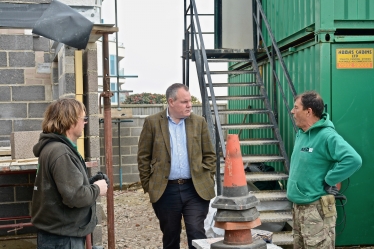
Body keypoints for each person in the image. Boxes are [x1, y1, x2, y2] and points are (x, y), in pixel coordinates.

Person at [137, 83, 216, 249]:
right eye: (184, 101)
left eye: (190, 101)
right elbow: (143, 157)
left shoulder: (199, 122)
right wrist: (149, 186)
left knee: (196, 233)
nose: (189, 105)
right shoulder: (152, 123)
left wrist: (207, 177)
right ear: (171, 102)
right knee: (171, 236)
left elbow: (210, 155)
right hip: (166, 191)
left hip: (195, 189)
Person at [287, 91, 362, 248]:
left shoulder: (327, 136)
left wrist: (330, 179)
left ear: (309, 111)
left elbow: (353, 160)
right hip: (298, 208)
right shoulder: (301, 134)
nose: (292, 111)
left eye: (296, 107)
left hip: (316, 210)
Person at [31, 98, 108, 249]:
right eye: (83, 118)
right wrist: (98, 188)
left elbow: (63, 188)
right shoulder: (61, 152)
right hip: (63, 238)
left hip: (57, 234)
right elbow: (75, 197)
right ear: (70, 121)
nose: (85, 123)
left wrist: (91, 182)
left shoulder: (52, 148)